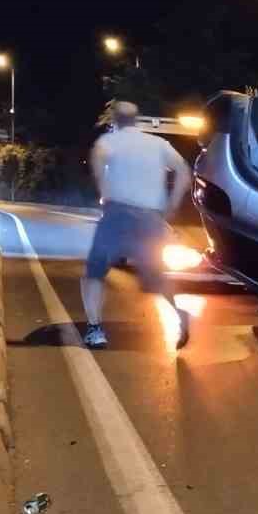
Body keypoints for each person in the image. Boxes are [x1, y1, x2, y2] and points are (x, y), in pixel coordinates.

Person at [83, 101, 194, 349]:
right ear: (136, 120)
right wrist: (172, 204)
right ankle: (179, 314)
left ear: (115, 120)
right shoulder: (157, 144)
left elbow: (99, 169)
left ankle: (94, 330)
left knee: (95, 270)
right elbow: (183, 171)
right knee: (156, 275)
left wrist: (104, 192)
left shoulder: (107, 142)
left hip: (118, 212)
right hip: (151, 217)